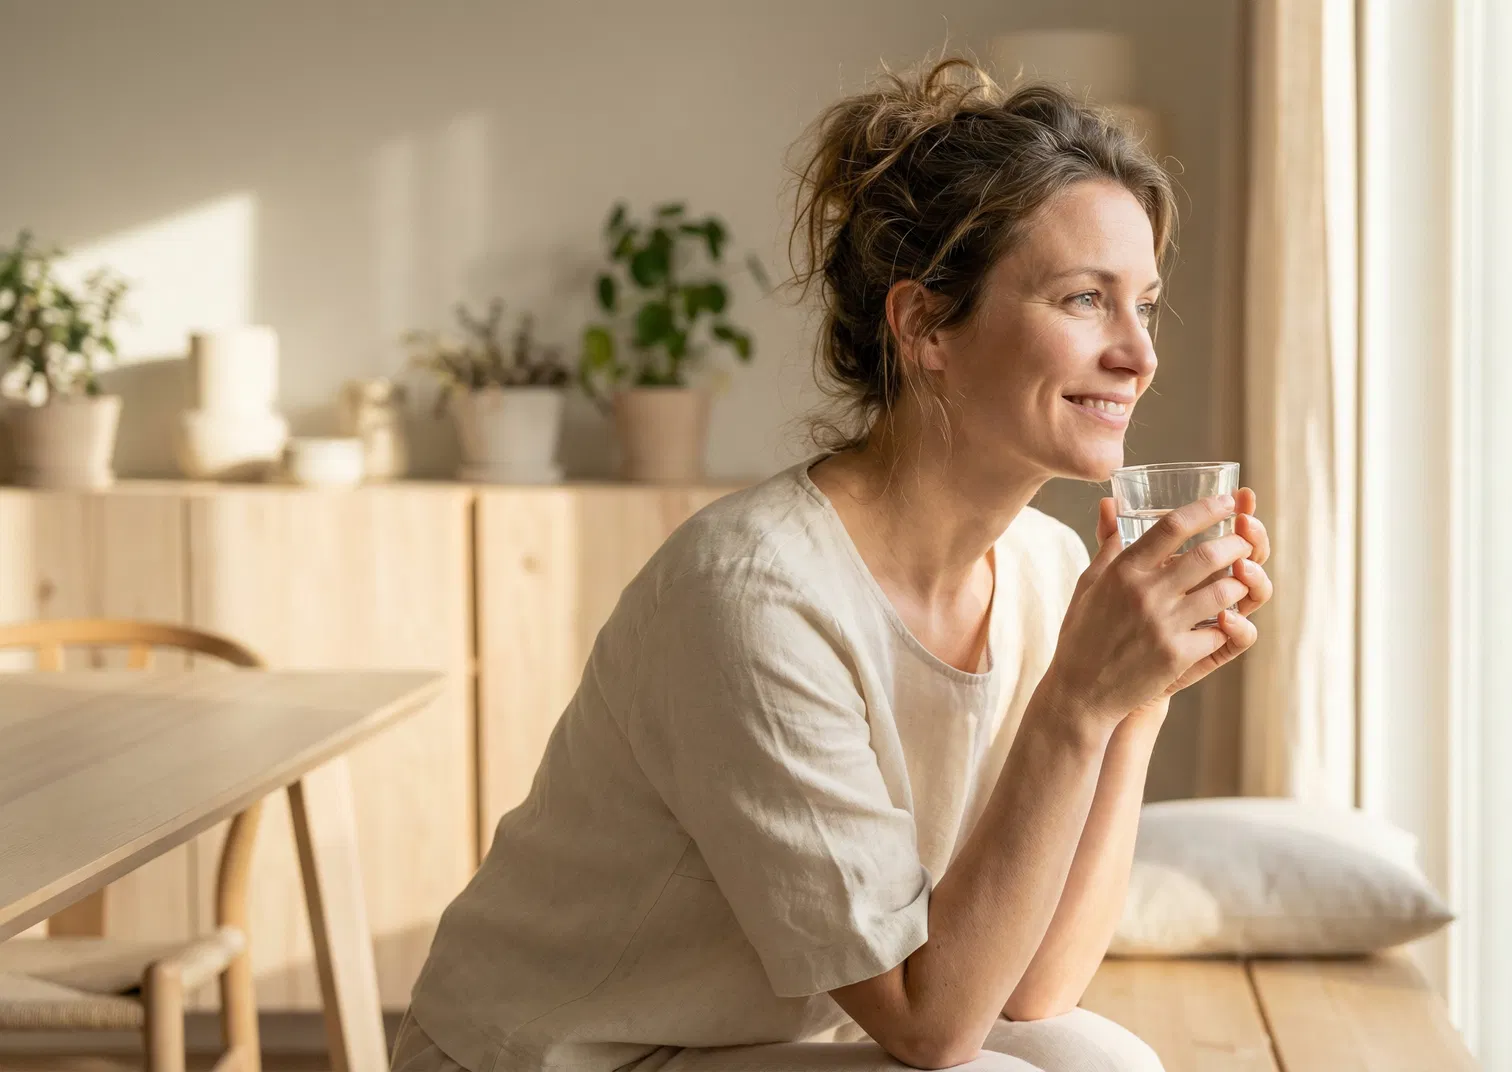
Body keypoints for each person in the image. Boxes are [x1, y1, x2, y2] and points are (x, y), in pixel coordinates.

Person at [393, 58, 1272, 1072]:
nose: (1138, 354)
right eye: (1085, 299)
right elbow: (928, 1024)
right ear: (925, 326)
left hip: (766, 1044)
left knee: (1098, 1058)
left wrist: (1137, 697)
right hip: (567, 1055)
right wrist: (1080, 697)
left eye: (1145, 305)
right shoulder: (755, 594)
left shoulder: (1046, 564)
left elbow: (1034, 987)